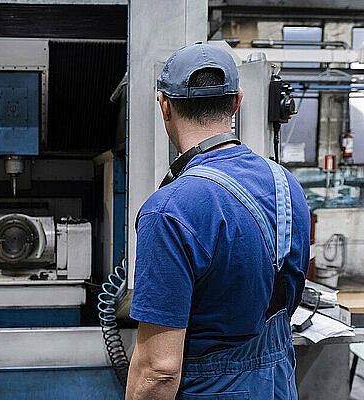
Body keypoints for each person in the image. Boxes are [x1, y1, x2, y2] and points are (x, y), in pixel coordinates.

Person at [126, 43, 310, 399]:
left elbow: (159, 370)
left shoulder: (168, 211)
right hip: (277, 386)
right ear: (237, 102)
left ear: (165, 105)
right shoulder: (288, 185)